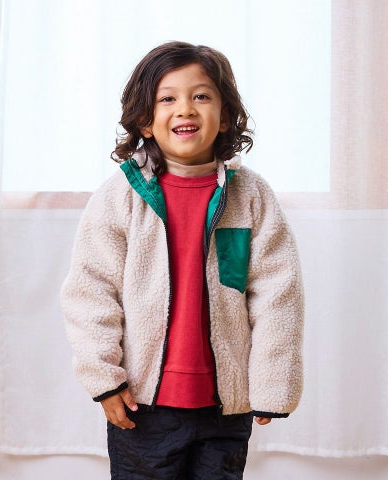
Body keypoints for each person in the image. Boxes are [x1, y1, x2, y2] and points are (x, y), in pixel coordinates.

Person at [61, 41, 304, 480]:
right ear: (145, 120)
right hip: (142, 404)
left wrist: (272, 383)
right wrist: (105, 379)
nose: (185, 109)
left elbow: (278, 296)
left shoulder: (251, 196)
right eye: (167, 99)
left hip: (225, 405)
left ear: (225, 116)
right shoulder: (122, 195)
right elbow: (90, 290)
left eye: (201, 96)